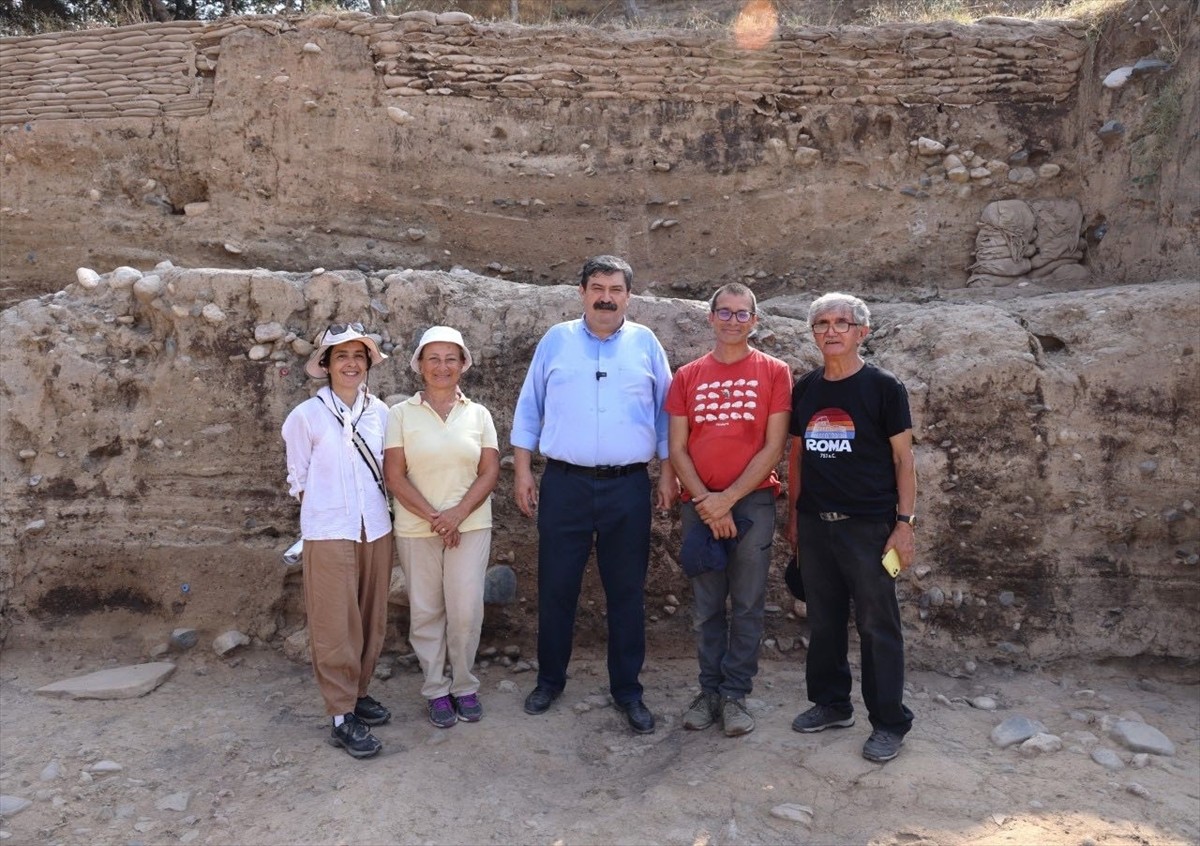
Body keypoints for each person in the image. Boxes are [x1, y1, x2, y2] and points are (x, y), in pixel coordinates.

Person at [511, 255, 676, 735]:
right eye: (597, 286)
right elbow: (529, 409)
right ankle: (549, 681)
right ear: (581, 291)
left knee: (626, 592)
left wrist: (668, 474)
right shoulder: (556, 341)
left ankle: (628, 690)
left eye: (616, 289)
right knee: (556, 587)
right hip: (565, 485)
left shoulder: (646, 343)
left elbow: (666, 415)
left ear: (628, 296)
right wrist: (523, 472)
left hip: (628, 487)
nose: (606, 296)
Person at [786, 292, 917, 763]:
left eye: (842, 322)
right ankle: (832, 703)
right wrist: (794, 522)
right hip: (816, 524)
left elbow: (904, 460)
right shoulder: (805, 390)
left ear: (862, 332)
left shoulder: (884, 388)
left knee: (878, 623)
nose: (831, 330)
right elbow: (797, 456)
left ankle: (889, 722)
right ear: (814, 333)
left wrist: (904, 525)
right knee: (823, 618)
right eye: (822, 323)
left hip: (870, 526)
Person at [666, 283, 792, 737]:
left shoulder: (775, 372)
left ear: (754, 321)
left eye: (742, 314)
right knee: (705, 606)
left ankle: (736, 695)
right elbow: (677, 448)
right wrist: (707, 501)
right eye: (725, 312)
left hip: (753, 502)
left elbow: (774, 446)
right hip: (698, 503)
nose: (733, 321)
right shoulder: (687, 376)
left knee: (748, 602)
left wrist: (728, 499)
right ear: (710, 317)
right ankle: (709, 692)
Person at [281, 323, 394, 759]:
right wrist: (324, 518)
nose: (351, 363)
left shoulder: (381, 413)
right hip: (329, 532)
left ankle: (359, 692)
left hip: (375, 528)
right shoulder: (305, 417)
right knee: (334, 624)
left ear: (367, 364)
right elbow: (300, 479)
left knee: (370, 617)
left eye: (358, 356)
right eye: (341, 356)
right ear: (325, 365)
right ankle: (340, 714)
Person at [383, 326, 499, 729]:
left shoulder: (479, 414)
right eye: (433, 358)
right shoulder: (400, 414)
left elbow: (489, 472)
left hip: (470, 526)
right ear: (419, 365)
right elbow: (394, 476)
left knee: (466, 610)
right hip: (418, 528)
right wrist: (437, 517)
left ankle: (464, 684)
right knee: (427, 611)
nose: (442, 366)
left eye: (451, 358)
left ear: (463, 364)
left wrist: (457, 516)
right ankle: (436, 689)